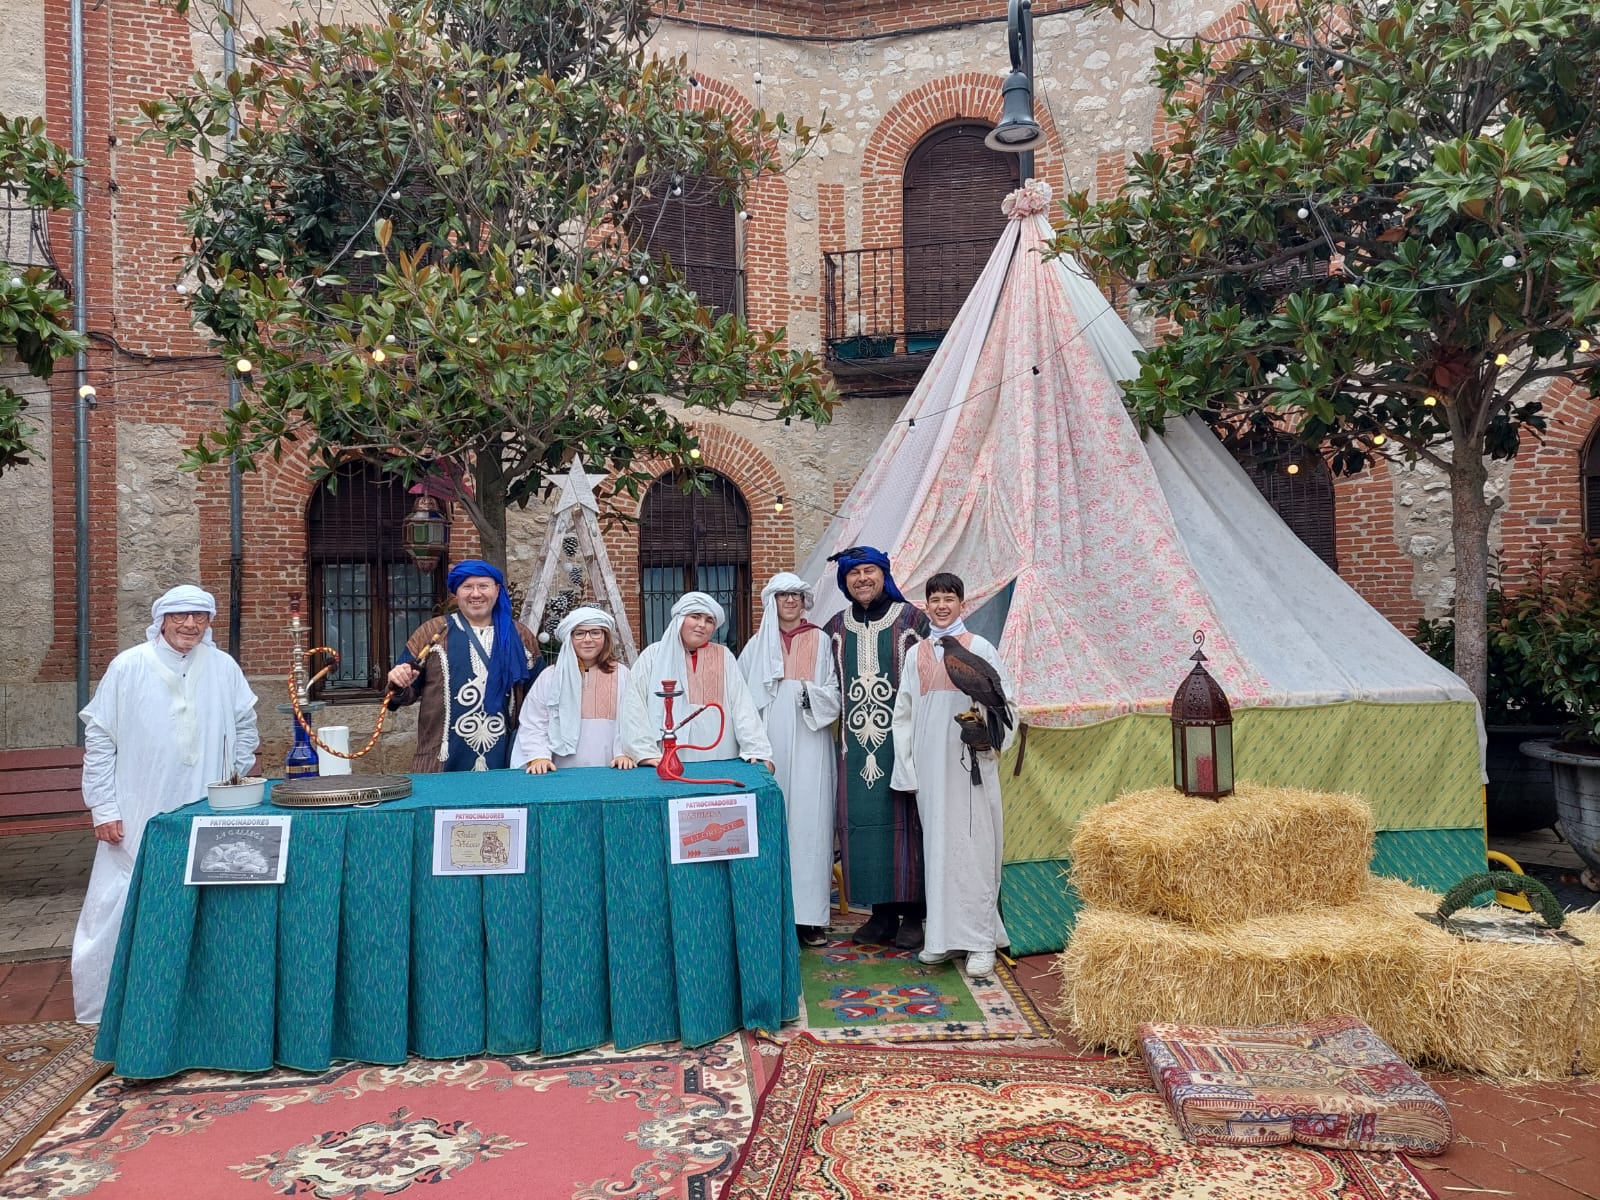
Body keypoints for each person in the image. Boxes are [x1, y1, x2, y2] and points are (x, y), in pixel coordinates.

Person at [73, 584, 259, 1023]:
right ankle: (112, 1001)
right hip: (141, 805)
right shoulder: (128, 666)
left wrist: (236, 775)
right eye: (180, 616)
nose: (189, 624)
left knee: (206, 896)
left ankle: (200, 996)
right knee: (123, 898)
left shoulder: (223, 667)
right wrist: (104, 807)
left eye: (199, 616)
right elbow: (100, 740)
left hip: (207, 803)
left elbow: (245, 725)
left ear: (210, 622)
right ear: (161, 620)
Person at [891, 572, 1015, 979]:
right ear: (926, 605)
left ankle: (981, 943)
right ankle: (941, 939)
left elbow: (1007, 704)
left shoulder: (980, 648)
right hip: (930, 767)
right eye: (935, 599)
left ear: (963, 604)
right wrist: (907, 767)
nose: (942, 605)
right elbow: (904, 715)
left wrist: (989, 742)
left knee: (975, 847)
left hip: (972, 763)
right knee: (940, 850)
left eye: (949, 598)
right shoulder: (916, 654)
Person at [822, 546, 931, 950]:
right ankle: (882, 914)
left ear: (884, 575)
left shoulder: (913, 620)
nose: (862, 579)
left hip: (904, 743)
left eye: (870, 571)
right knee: (863, 827)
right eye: (854, 573)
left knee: (909, 826)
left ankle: (914, 916)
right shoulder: (834, 627)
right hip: (854, 747)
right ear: (844, 581)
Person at [740, 572, 842, 947]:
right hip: (770, 745)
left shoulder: (819, 639)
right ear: (772, 601)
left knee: (811, 823)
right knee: (772, 823)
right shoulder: (755, 646)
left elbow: (834, 690)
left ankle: (810, 919)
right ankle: (772, 915)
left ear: (805, 601)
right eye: (783, 595)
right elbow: (740, 699)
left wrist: (804, 693)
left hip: (811, 737)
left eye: (797, 595)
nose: (791, 601)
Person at [386, 559, 541, 772]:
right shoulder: (433, 632)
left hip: (507, 758)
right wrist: (399, 682)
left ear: (496, 590)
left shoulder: (521, 636)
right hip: (442, 759)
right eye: (467, 587)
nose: (475, 594)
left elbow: (539, 697)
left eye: (483, 586)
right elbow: (401, 693)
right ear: (456, 593)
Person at [620, 592, 773, 768]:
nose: (702, 625)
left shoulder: (724, 656)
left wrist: (756, 749)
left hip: (719, 755)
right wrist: (644, 753)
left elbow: (742, 706)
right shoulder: (652, 656)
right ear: (680, 619)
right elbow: (634, 707)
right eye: (695, 617)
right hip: (665, 758)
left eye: (709, 620)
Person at [510, 606, 635, 772]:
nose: (588, 639)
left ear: (605, 638)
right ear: (569, 638)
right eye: (579, 633)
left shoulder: (621, 674)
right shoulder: (550, 676)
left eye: (595, 632)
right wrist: (539, 756)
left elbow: (631, 719)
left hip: (611, 768)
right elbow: (534, 721)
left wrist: (624, 753)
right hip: (559, 770)